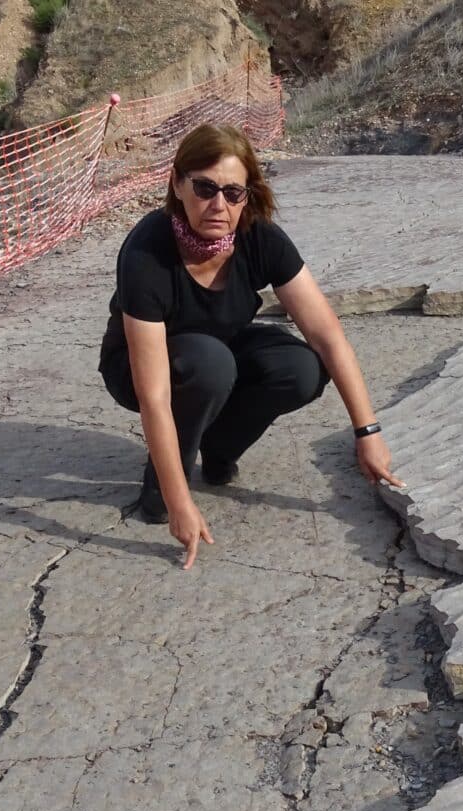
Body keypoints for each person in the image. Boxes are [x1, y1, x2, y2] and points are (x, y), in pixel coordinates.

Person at [99, 123, 403, 569]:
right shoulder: (146, 252)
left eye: (233, 192)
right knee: (209, 364)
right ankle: (167, 481)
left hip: (219, 350)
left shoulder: (260, 237)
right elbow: (154, 394)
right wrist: (178, 501)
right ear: (177, 183)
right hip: (141, 365)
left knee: (301, 367)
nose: (218, 205)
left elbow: (326, 333)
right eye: (204, 188)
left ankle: (219, 448)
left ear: (247, 195)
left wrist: (368, 432)